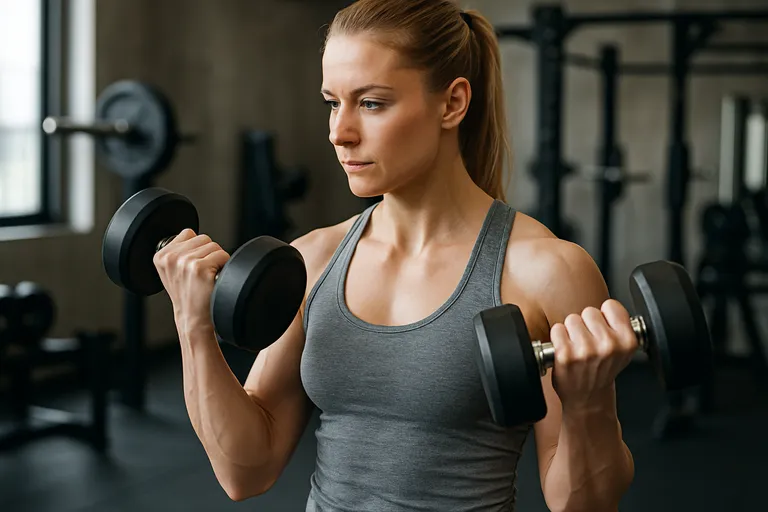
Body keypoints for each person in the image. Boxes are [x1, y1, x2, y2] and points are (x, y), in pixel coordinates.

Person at [153, 1, 636, 510]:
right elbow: (244, 471)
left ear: (452, 103)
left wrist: (588, 405)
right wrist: (193, 326)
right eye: (332, 103)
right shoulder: (314, 260)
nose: (340, 132)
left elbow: (582, 505)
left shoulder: (545, 271)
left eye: (373, 103)